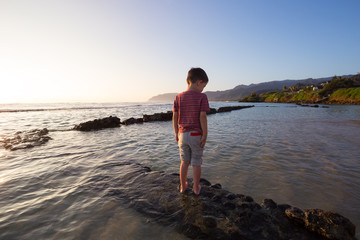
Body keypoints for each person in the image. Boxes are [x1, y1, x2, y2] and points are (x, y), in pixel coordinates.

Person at [173, 67, 210, 195]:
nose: (203, 89)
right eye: (203, 86)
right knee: (196, 163)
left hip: (182, 134)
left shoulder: (178, 97)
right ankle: (195, 188)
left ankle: (183, 187)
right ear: (199, 82)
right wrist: (205, 134)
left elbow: (175, 116)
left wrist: (176, 133)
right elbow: (202, 116)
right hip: (195, 135)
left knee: (184, 162)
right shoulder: (202, 97)